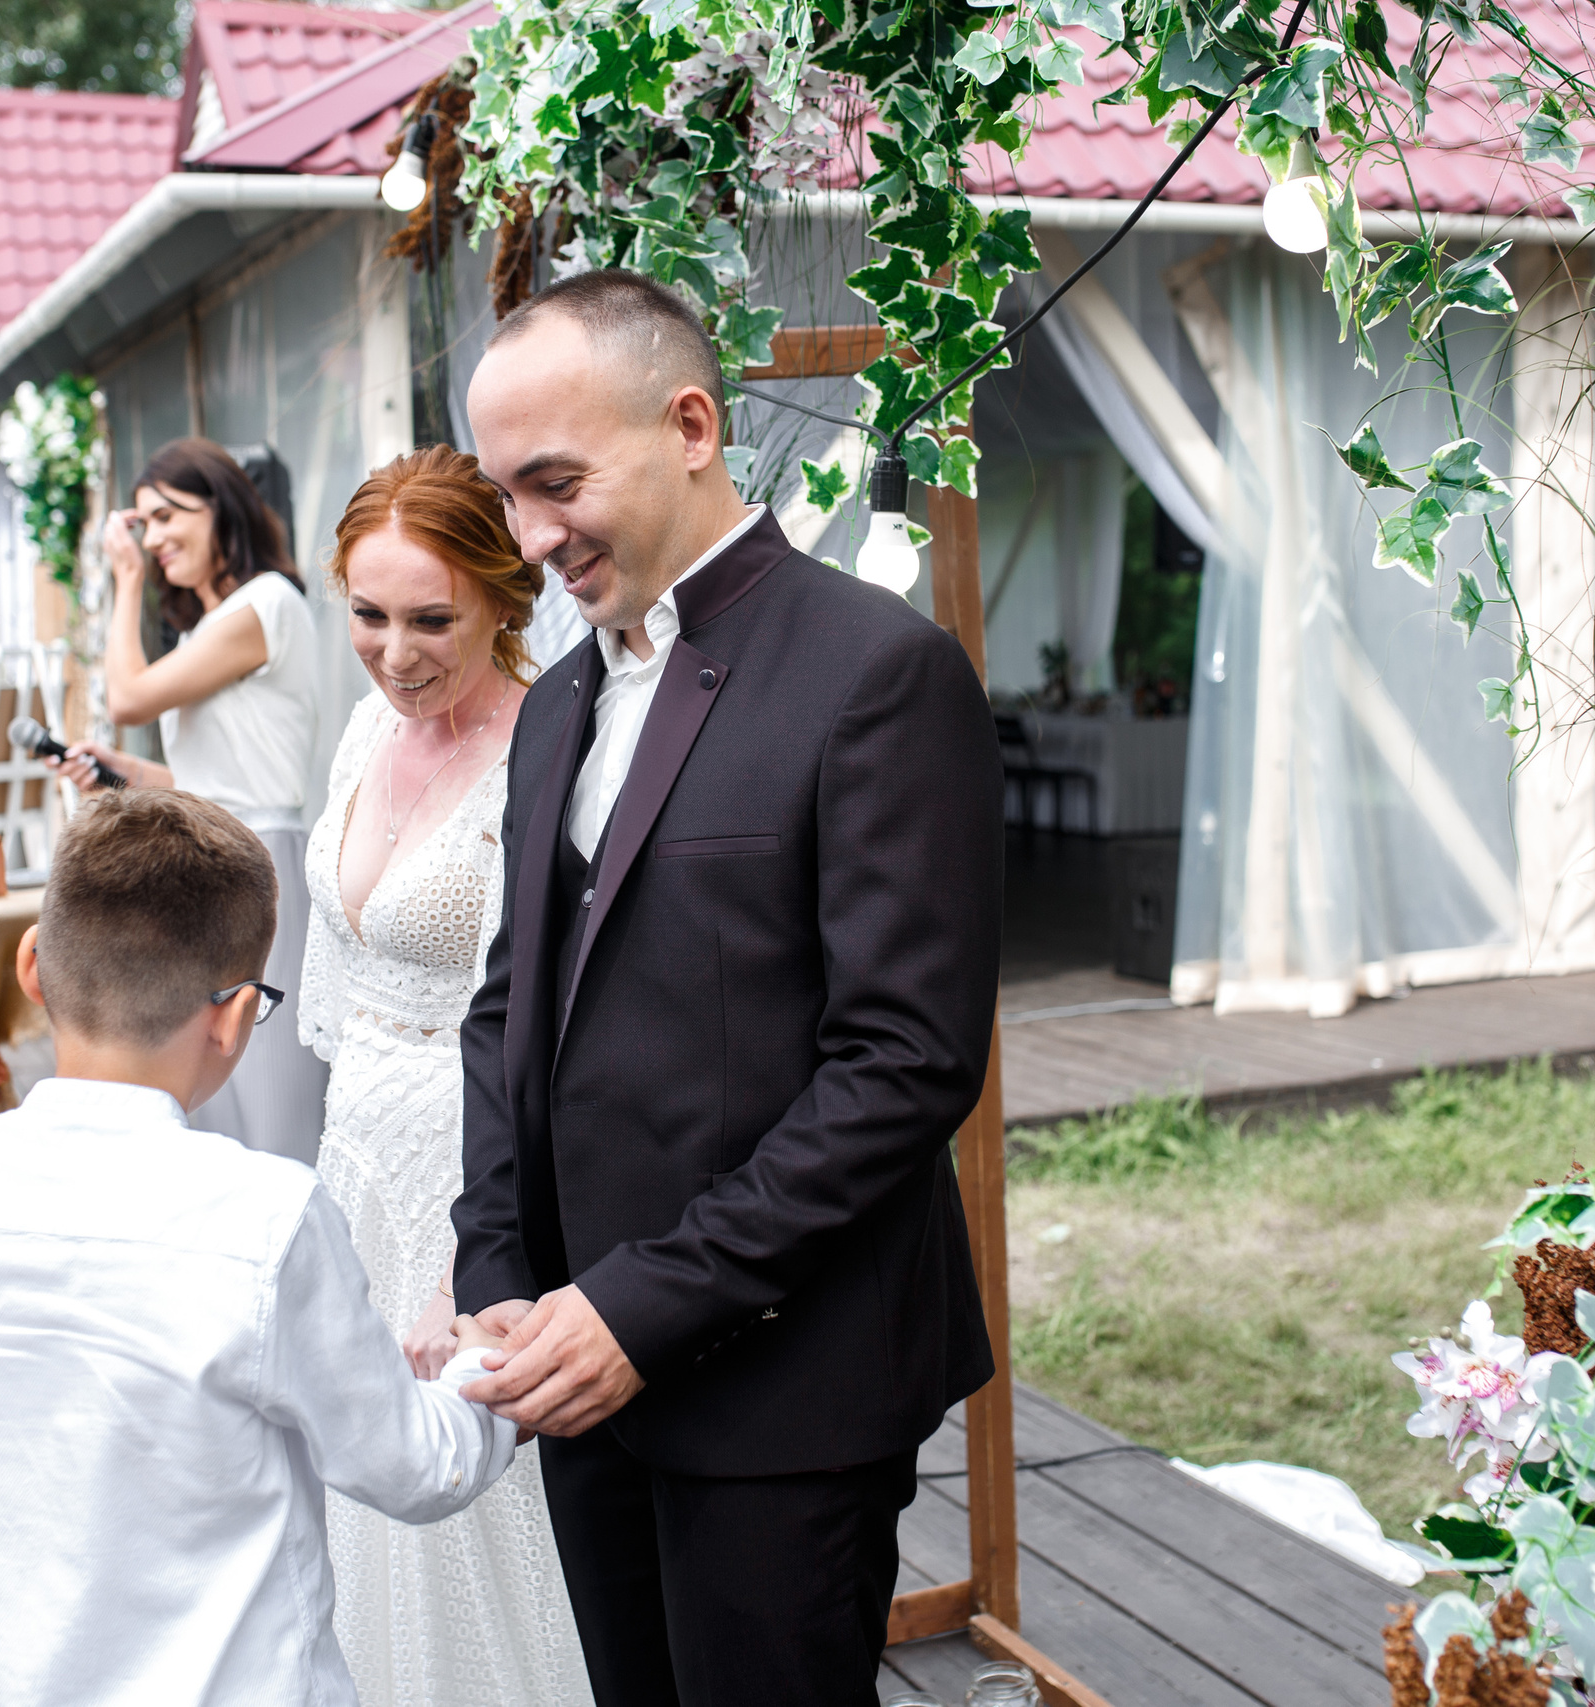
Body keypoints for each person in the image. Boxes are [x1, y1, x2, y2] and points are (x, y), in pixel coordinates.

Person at [451, 270, 1006, 1706]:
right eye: (507, 493)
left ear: (690, 423)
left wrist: (638, 1306)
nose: (529, 537)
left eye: (556, 481)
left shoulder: (880, 669)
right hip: (582, 1383)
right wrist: (502, 1279)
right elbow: (511, 1008)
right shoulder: (558, 701)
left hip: (786, 1390)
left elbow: (905, 1061)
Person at [0, 787, 520, 1706]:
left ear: (32, 966)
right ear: (237, 1013)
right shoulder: (265, 1218)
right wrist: (487, 1361)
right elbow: (410, 1462)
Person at [295, 444, 592, 1707]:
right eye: (367, 615)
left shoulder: (552, 751)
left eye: (433, 619)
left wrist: (470, 1265)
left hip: (469, 1173)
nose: (396, 651)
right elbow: (334, 977)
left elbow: (556, 1028)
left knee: (469, 1505)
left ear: (505, 600)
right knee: (356, 1494)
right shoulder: (366, 725)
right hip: (352, 1156)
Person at [47, 438, 326, 1163]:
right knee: (210, 1093)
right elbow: (215, 780)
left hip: (262, 859)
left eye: (168, 516)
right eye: (141, 523)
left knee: (273, 1099)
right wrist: (130, 773)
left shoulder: (266, 602)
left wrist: (125, 578)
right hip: (213, 858)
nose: (154, 537)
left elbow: (127, 696)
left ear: (224, 508)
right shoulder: (209, 627)